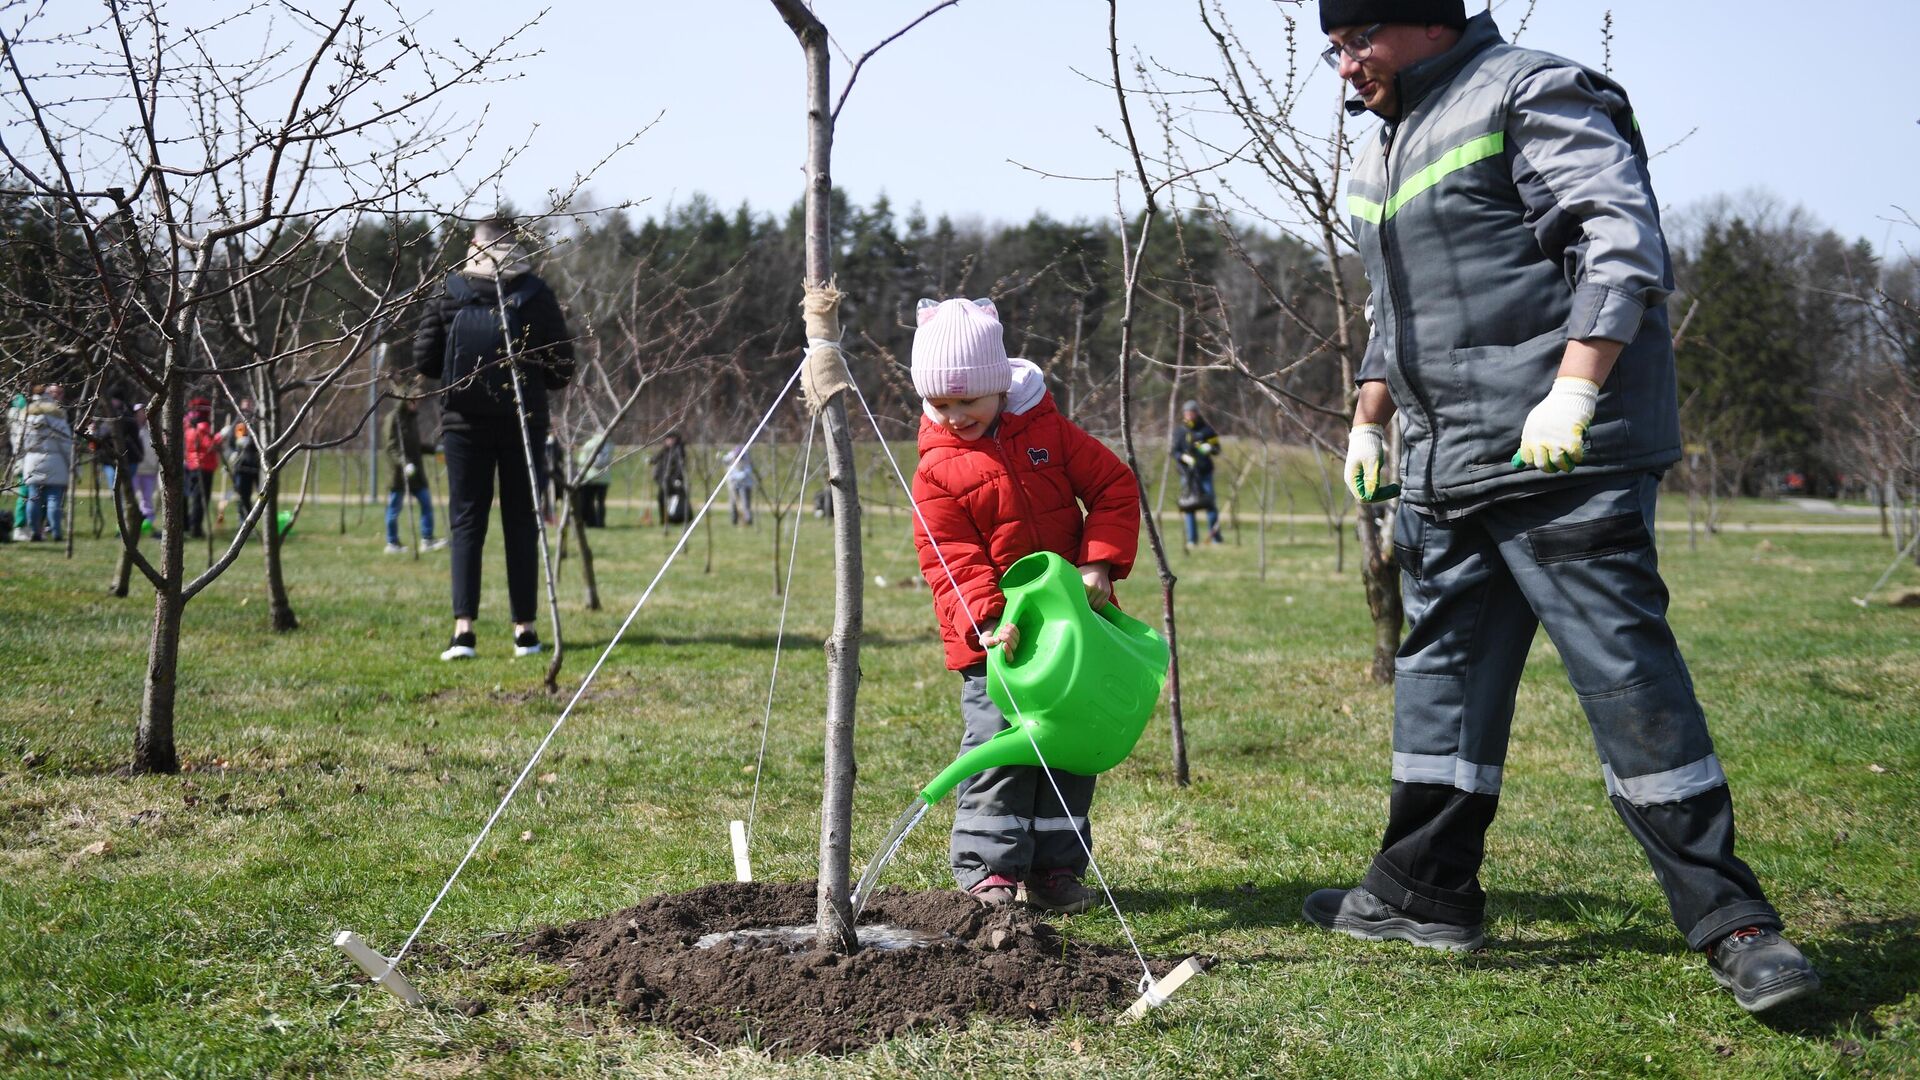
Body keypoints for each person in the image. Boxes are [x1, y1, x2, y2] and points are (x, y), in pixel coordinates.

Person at [1314, 0, 1817, 1013]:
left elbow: (1616, 241)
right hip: (1446, 463)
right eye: (1332, 48)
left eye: (1355, 42)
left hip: (1560, 455)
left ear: (1422, 22)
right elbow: (1390, 304)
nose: (1342, 69)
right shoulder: (1381, 145)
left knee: (1627, 679)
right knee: (1440, 680)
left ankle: (1737, 924)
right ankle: (1422, 891)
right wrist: (1370, 417)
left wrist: (1575, 389)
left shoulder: (1532, 92)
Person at [908, 297, 1142, 914]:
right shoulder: (937, 470)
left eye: (969, 402)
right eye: (941, 405)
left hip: (1071, 634)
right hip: (996, 642)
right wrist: (986, 618)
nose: (955, 417)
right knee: (1001, 746)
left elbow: (1114, 486)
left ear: (998, 387)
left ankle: (1056, 868)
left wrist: (1099, 561)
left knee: (1068, 747)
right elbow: (949, 555)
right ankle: (989, 869)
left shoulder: (1049, 434)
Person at [414, 217, 575, 661]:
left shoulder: (450, 290)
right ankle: (525, 631)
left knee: (467, 522)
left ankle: (463, 631)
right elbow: (562, 370)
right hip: (523, 422)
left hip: (463, 424)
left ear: (474, 244)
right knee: (522, 521)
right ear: (515, 245)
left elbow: (425, 360)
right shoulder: (536, 294)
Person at [383, 382, 444, 553]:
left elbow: (416, 445)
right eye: (414, 400)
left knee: (426, 503)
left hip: (416, 472)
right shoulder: (393, 419)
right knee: (394, 508)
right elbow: (391, 447)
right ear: (405, 401)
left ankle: (427, 539)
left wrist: (435, 450)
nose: (417, 404)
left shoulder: (411, 419)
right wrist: (404, 463)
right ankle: (392, 543)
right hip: (399, 474)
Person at [18, 383, 73, 542]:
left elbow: (20, 443)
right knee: (54, 499)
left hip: (32, 461)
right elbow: (66, 443)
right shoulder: (57, 416)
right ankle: (56, 532)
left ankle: (35, 531)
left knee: (33, 498)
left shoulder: (26, 416)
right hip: (56, 461)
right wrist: (72, 465)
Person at [1170, 399, 1224, 546]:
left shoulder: (1207, 430)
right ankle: (1192, 540)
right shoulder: (1180, 431)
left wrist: (1209, 448)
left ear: (1197, 413)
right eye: (1187, 413)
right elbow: (1174, 451)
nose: (1189, 415)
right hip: (1187, 474)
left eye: (1192, 412)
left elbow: (1217, 449)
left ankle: (1215, 538)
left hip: (1205, 472)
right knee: (1189, 505)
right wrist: (1183, 457)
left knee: (1210, 504)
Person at [216, 397, 264, 522]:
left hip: (254, 465)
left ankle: (255, 519)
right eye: (244, 407)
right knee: (242, 495)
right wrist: (231, 455)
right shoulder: (236, 423)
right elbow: (230, 443)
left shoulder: (257, 423)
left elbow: (263, 442)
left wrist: (252, 441)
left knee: (260, 494)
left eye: (249, 406)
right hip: (240, 466)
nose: (246, 409)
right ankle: (244, 520)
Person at [182, 417, 218, 538]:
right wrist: (220, 436)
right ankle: (195, 528)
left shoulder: (188, 430)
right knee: (201, 499)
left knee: (195, 497)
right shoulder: (202, 428)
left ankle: (190, 525)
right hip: (203, 466)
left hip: (193, 465)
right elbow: (209, 445)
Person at [650, 432, 688, 526]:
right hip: (664, 480)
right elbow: (657, 458)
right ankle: (664, 519)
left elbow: (680, 466)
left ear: (674, 439)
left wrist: (677, 478)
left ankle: (674, 518)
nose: (667, 441)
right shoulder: (665, 450)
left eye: (669, 439)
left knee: (675, 500)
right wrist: (651, 460)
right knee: (661, 498)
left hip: (674, 481)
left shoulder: (679, 450)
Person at [721, 443, 756, 526]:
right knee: (733, 502)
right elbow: (725, 460)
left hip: (745, 484)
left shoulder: (746, 459)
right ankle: (734, 519)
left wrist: (737, 477)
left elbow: (747, 472)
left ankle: (748, 520)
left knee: (745, 503)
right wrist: (721, 455)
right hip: (733, 484)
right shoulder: (731, 456)